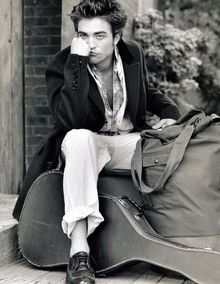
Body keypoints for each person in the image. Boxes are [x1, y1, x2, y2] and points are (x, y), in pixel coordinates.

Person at [13, 0, 181, 283]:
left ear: (116, 37)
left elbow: (147, 91)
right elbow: (70, 121)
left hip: (128, 141)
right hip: (87, 144)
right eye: (83, 35)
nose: (90, 44)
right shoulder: (61, 65)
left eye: (99, 35)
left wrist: (171, 114)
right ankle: (79, 252)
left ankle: (175, 237)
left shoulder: (132, 54)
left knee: (177, 144)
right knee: (79, 138)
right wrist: (76, 65)